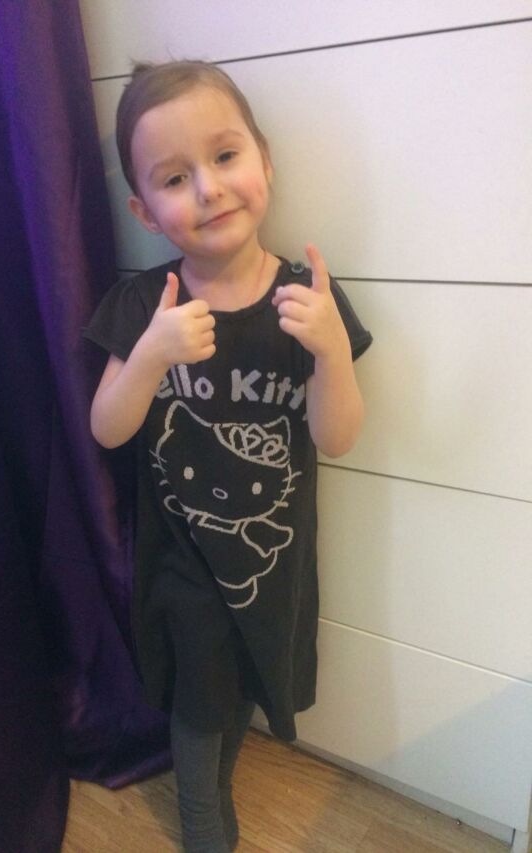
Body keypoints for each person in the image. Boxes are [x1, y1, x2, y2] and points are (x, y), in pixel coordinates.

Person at [84, 59, 372, 853]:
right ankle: (203, 823)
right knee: (199, 703)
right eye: (176, 178)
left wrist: (331, 351)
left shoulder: (308, 301)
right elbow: (107, 428)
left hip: (272, 558)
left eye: (224, 156)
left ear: (264, 161)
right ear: (145, 211)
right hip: (184, 562)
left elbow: (337, 436)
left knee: (243, 683)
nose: (208, 190)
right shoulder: (145, 304)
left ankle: (215, 788)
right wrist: (150, 354)